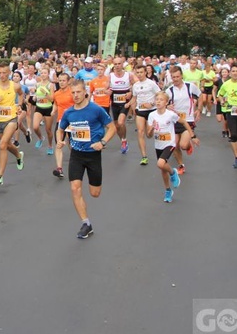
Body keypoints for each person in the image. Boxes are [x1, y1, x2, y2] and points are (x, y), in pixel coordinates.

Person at [56, 79, 116, 239]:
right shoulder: (69, 112)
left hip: (93, 155)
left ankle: (86, 220)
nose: (75, 95)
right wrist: (59, 140)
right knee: (75, 188)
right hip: (76, 155)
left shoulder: (95, 110)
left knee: (95, 193)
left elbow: (112, 127)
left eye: (78, 92)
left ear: (85, 92)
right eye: (73, 92)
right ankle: (86, 223)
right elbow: (60, 129)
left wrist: (102, 142)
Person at [147, 92, 193, 203]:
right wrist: (152, 128)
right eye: (157, 99)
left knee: (160, 164)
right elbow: (148, 136)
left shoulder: (170, 114)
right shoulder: (152, 115)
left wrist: (192, 135)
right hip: (158, 144)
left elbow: (183, 122)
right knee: (163, 169)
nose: (158, 101)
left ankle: (173, 172)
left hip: (170, 143)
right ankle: (168, 191)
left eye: (161, 99)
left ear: (166, 102)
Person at [0, 64, 25, 185]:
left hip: (11, 119)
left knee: (2, 145)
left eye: (4, 73)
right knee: (7, 145)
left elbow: (21, 94)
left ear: (9, 73)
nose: (2, 75)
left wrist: (19, 106)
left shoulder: (15, 86)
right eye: (0, 73)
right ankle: (18, 155)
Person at [165, 65, 201, 175]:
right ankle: (181, 165)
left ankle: (188, 146)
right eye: (173, 77)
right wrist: (167, 106)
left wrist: (199, 109)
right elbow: (163, 103)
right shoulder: (169, 90)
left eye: (177, 76)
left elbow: (200, 95)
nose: (175, 79)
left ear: (181, 76)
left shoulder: (190, 86)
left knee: (183, 145)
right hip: (175, 121)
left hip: (188, 120)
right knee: (174, 145)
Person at [128, 65, 161, 166]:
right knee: (140, 132)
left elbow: (160, 95)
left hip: (151, 111)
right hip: (140, 110)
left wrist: (152, 104)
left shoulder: (151, 83)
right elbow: (134, 97)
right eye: (137, 72)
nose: (139, 74)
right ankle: (144, 156)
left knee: (149, 134)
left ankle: (152, 130)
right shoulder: (135, 85)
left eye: (141, 72)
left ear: (145, 72)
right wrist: (128, 104)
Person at [51, 73, 75, 178]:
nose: (61, 82)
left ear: (68, 81)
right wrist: (53, 111)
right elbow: (56, 104)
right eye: (60, 80)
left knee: (72, 144)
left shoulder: (73, 92)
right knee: (58, 144)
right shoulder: (56, 93)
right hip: (61, 121)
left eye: (63, 80)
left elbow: (79, 104)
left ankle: (76, 160)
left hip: (73, 122)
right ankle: (59, 169)